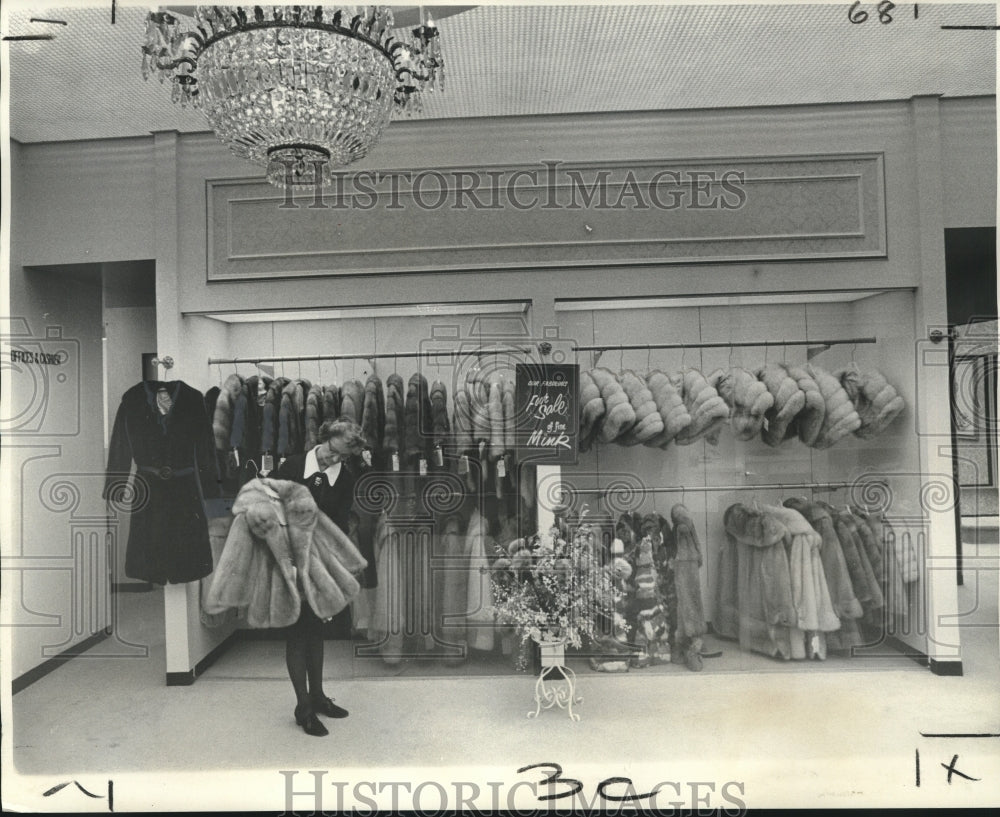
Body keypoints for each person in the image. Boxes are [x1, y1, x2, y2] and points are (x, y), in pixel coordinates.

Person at [274, 418, 367, 737]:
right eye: (331, 451)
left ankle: (318, 697)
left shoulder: (345, 478)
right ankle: (303, 708)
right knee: (298, 632)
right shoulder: (292, 466)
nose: (333, 460)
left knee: (316, 630)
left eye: (342, 456)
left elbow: (339, 524)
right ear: (323, 439)